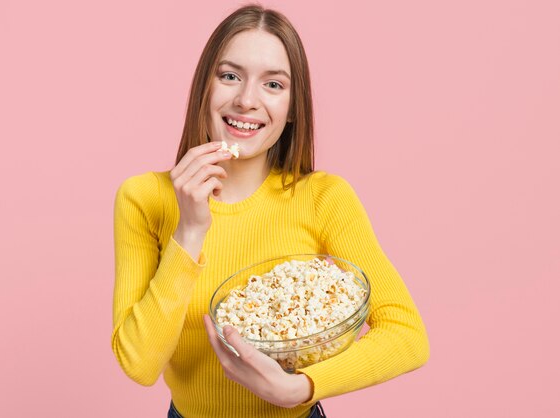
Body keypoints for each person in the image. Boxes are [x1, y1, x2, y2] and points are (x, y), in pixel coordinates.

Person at [112, 5, 429, 418]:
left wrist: (300, 388)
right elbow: (139, 365)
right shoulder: (144, 198)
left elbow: (407, 335)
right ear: (203, 89)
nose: (246, 100)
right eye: (230, 76)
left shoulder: (322, 198)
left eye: (273, 85)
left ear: (294, 107)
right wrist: (190, 230)